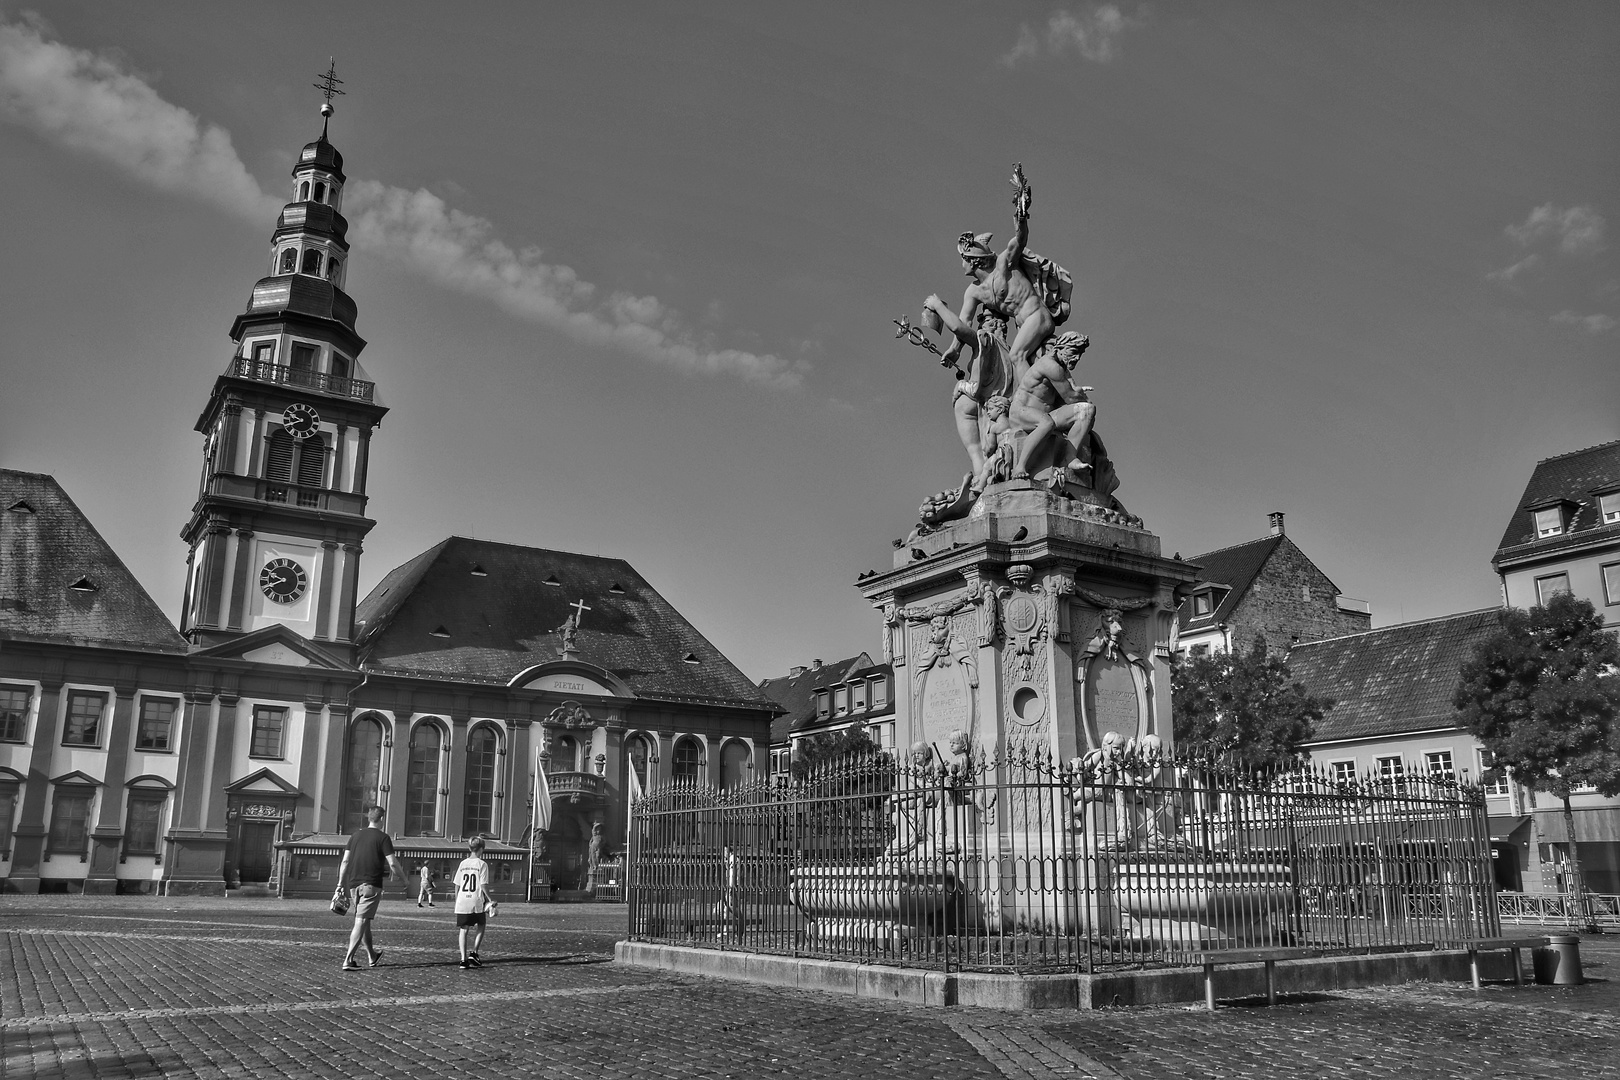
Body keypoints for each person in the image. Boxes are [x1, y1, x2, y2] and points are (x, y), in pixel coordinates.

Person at [1010, 332, 1095, 480]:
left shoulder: (1062, 368)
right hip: (1021, 413)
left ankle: (1071, 457)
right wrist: (1081, 396)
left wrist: (1081, 397)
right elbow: (1070, 397)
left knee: (1087, 411)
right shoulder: (1050, 365)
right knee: (1046, 423)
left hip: (1046, 414)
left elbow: (1072, 394)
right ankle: (1020, 466)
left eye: (1080, 354)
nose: (1077, 358)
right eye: (1073, 352)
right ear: (1060, 348)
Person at [336, 805, 406, 971]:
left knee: (364, 920)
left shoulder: (355, 836)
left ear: (369, 818)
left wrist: (340, 884)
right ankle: (348, 960)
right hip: (371, 885)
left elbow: (345, 861)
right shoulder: (383, 838)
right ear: (381, 819)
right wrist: (404, 879)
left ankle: (371, 956)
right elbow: (393, 863)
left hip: (354, 885)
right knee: (361, 921)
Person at [453, 836, 498, 969]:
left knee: (463, 929)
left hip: (462, 900)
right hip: (476, 900)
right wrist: (490, 899)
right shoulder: (481, 864)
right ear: (482, 849)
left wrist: (457, 899)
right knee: (481, 924)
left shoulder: (463, 863)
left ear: (469, 848)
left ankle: (463, 960)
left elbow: (457, 884)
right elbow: (483, 885)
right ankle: (474, 952)